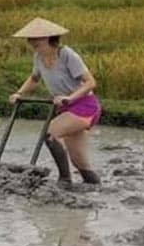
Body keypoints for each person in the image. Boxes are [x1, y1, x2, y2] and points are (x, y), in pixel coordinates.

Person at [10, 18, 101, 186]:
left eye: (35, 38)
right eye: (30, 39)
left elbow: (90, 82)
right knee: (80, 162)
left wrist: (70, 97)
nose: (31, 42)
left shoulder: (67, 55)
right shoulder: (38, 57)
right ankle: (97, 189)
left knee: (50, 133)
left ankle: (64, 180)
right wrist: (19, 93)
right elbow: (34, 78)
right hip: (66, 109)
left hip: (84, 105)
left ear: (47, 38)